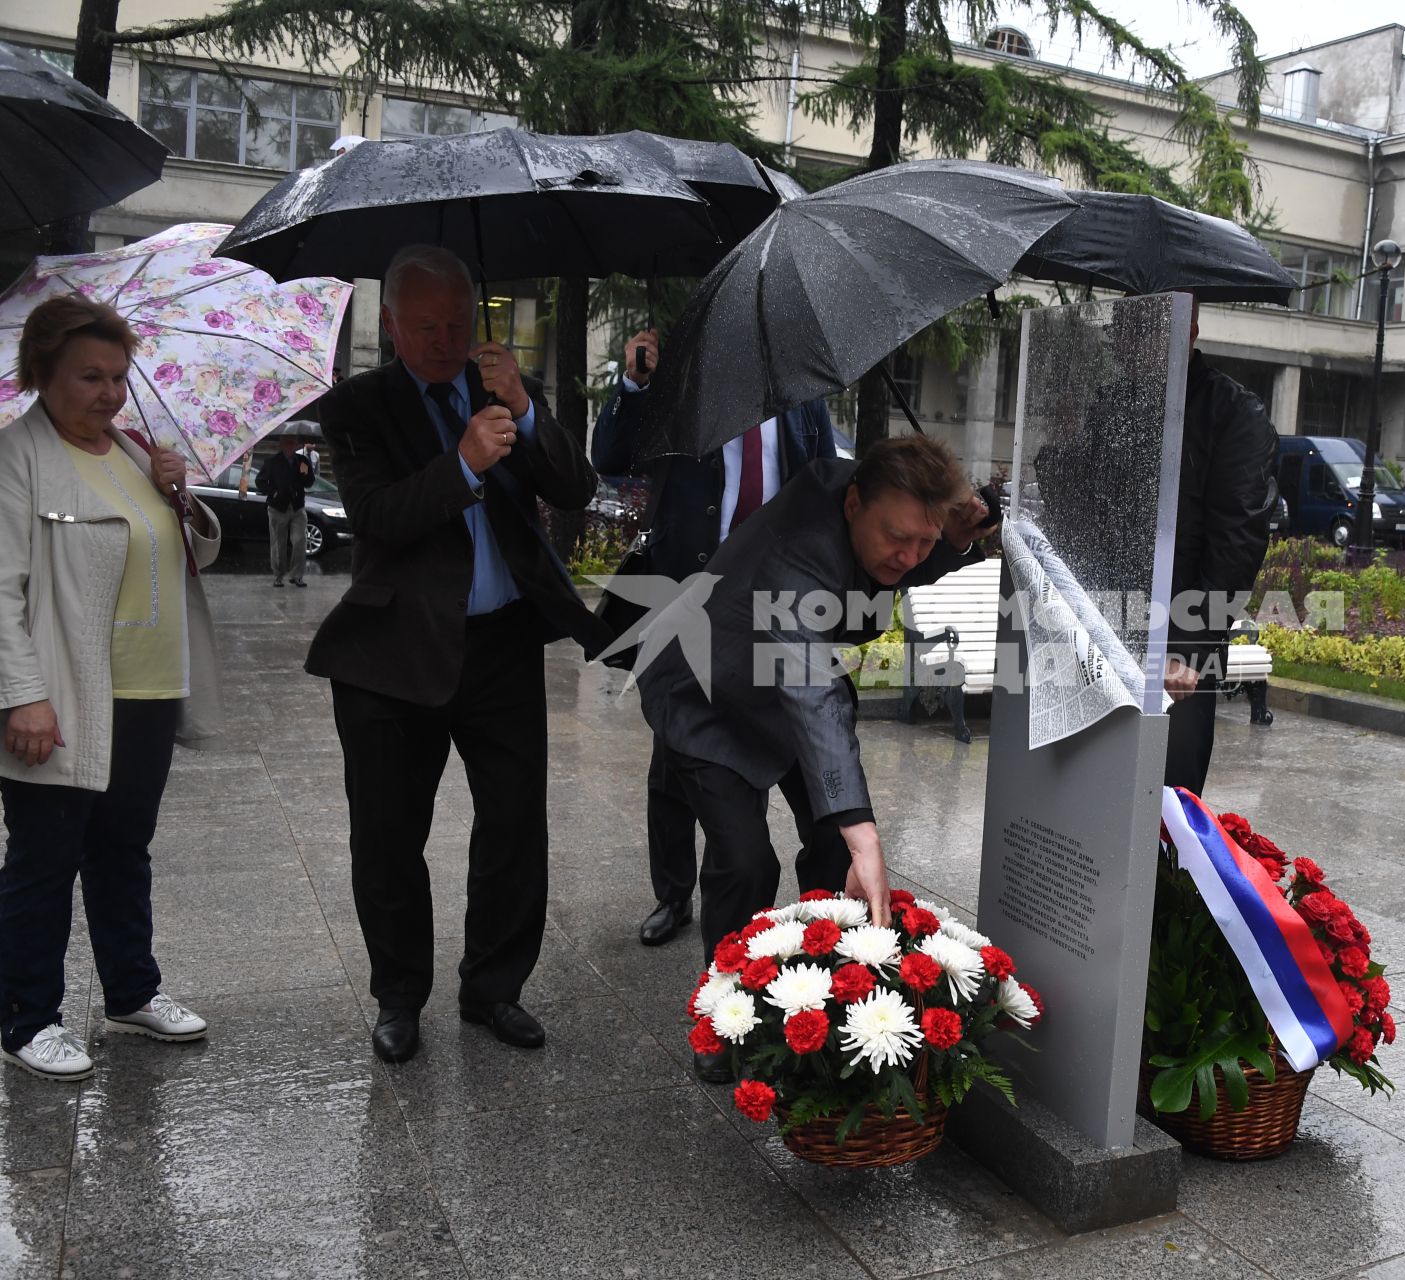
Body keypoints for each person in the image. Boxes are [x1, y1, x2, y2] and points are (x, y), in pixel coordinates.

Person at [305, 245, 607, 1065]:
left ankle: (494, 987)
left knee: (514, 824)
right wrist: (463, 462)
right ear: (392, 325)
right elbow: (377, 516)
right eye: (426, 326)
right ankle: (399, 996)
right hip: (392, 655)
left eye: (458, 324)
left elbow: (575, 487)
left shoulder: (501, 388)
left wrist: (527, 412)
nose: (444, 341)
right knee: (389, 835)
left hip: (501, 643)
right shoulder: (357, 406)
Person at [636, 434, 994, 1080]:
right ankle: (724, 1014)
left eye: (924, 540)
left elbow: (893, 564)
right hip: (708, 694)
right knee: (745, 863)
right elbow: (810, 684)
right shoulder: (799, 545)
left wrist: (955, 541)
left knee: (834, 849)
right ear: (853, 502)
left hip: (790, 691)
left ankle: (821, 985)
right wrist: (866, 831)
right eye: (899, 537)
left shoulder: (880, 511)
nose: (910, 557)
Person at [0, 295, 224, 1081]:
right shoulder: (17, 456)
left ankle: (132, 991)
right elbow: (0, 588)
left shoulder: (131, 451)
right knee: (44, 858)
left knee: (123, 850)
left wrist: (178, 496)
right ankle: (29, 1019)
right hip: (63, 694)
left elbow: (185, 554)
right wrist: (20, 694)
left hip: (150, 690)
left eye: (119, 377)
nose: (108, 394)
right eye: (89, 377)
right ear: (42, 373)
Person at [589, 327, 837, 947]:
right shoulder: (680, 391)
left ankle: (806, 910)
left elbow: (825, 484)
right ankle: (673, 894)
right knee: (674, 760)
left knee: (783, 755)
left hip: (775, 605)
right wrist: (635, 386)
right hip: (686, 603)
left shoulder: (803, 400)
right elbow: (610, 457)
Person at [1164, 300, 1277, 795]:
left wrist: (1190, 647)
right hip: (1106, 631)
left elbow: (1238, 540)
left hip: (1177, 643)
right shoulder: (1116, 403)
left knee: (1166, 805)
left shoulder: (1231, 412)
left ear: (1188, 330)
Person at [256, 434, 315, 587]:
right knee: (278, 543)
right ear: (281, 445)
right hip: (277, 508)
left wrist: (305, 474)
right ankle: (278, 575)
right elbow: (260, 482)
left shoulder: (302, 461)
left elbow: (309, 482)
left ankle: (297, 575)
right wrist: (274, 492)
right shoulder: (272, 462)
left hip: (297, 507)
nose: (291, 446)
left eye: (293, 443)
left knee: (300, 540)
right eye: (287, 443)